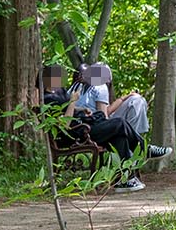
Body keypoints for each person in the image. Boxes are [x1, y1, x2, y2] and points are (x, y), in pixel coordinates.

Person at [39, 63, 166, 193]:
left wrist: (82, 109)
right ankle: (145, 150)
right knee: (119, 123)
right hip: (74, 134)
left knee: (120, 136)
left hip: (82, 125)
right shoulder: (47, 99)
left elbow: (66, 109)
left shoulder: (59, 91)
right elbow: (63, 126)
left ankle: (124, 180)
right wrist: (72, 101)